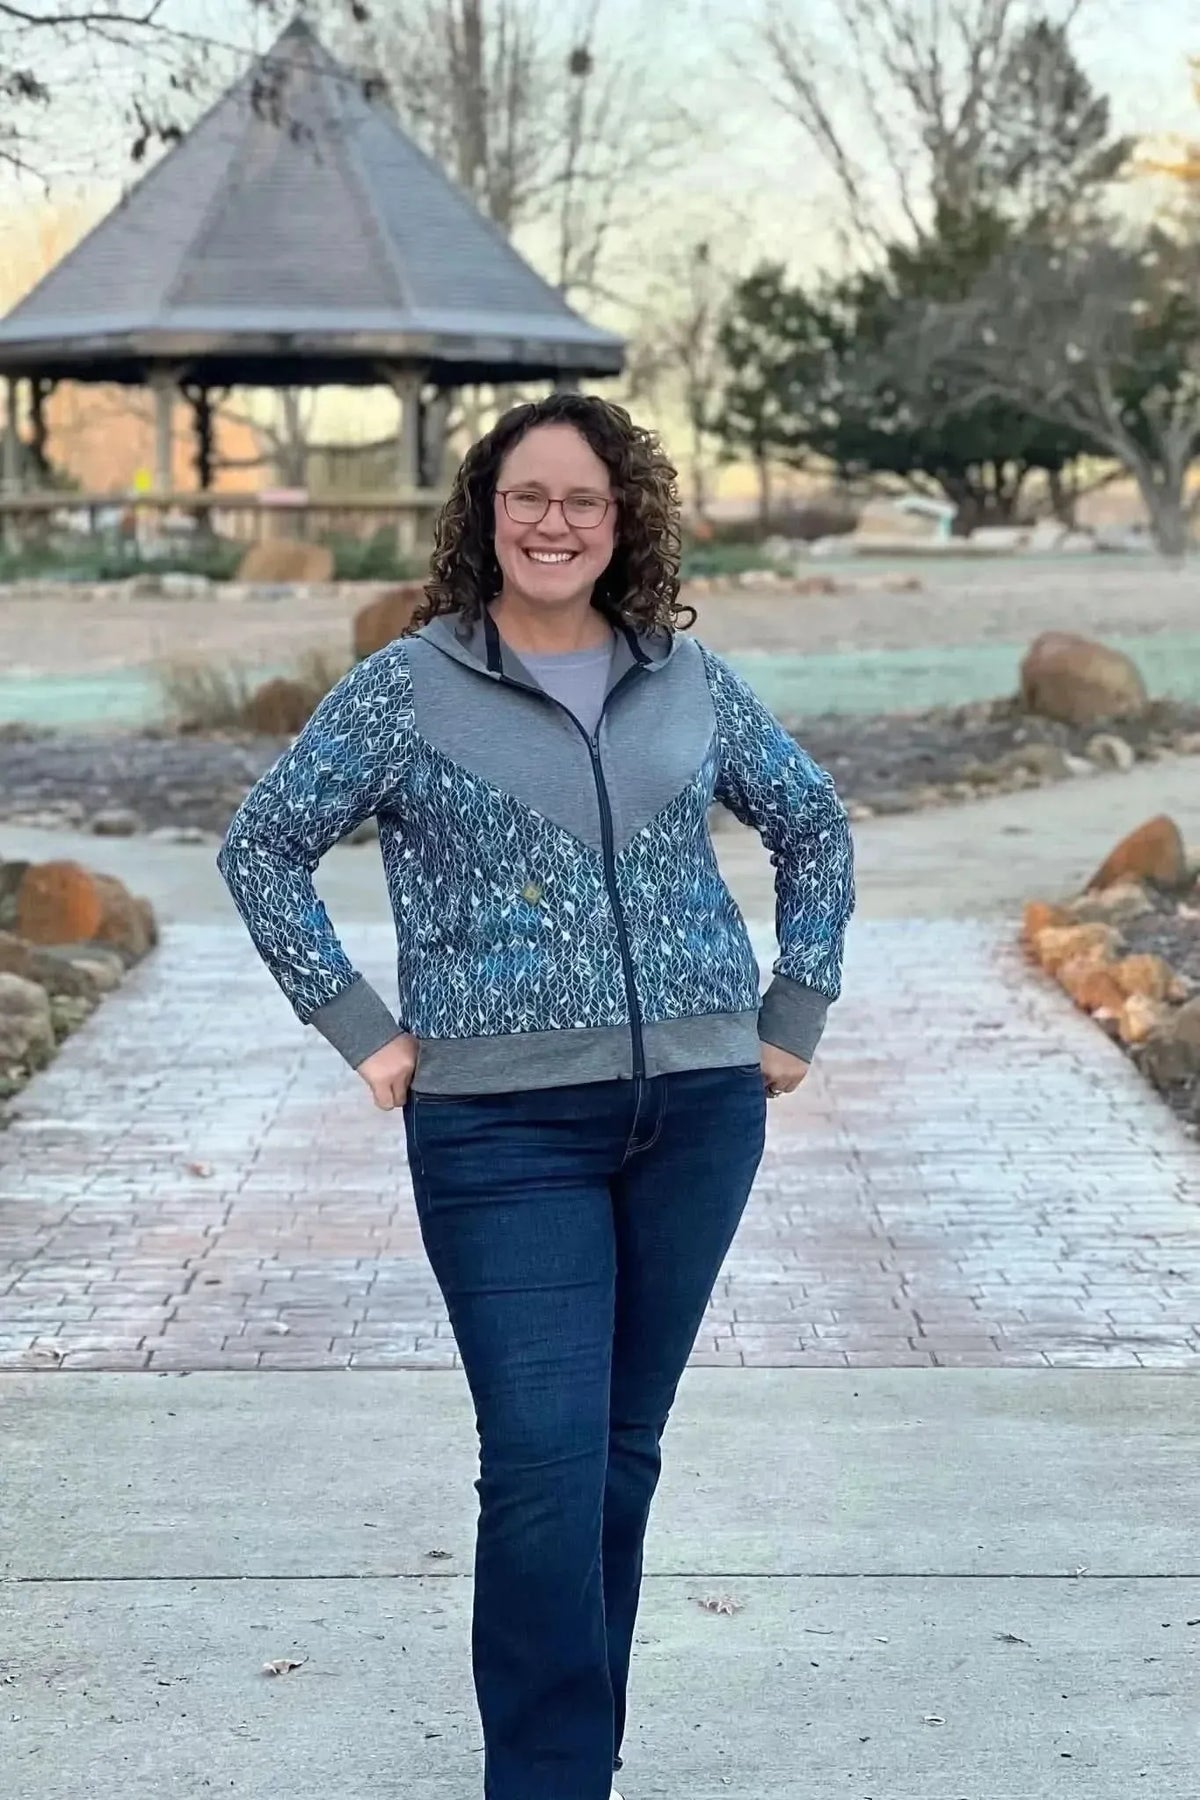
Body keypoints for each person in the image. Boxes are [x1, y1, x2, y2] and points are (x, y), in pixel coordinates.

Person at [217, 392, 855, 1800]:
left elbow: (810, 821)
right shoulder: (407, 687)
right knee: (544, 1467)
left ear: (624, 522)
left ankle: (581, 1757)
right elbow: (263, 846)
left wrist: (792, 1008)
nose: (552, 523)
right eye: (527, 498)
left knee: (619, 1458)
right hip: (499, 1136)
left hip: (695, 1117)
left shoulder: (685, 677)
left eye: (582, 500)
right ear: (485, 516)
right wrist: (364, 1029)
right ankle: (549, 1780)